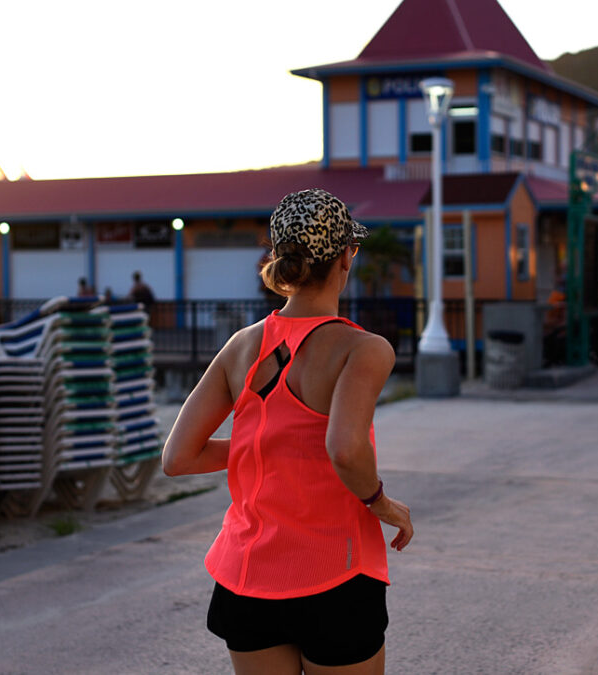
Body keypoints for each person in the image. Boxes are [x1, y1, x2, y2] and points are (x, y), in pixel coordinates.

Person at [162, 188, 413, 674]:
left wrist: (268, 443)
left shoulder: (241, 346)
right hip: (334, 575)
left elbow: (179, 458)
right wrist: (382, 503)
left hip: (246, 578)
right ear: (346, 257)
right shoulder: (363, 349)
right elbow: (344, 448)